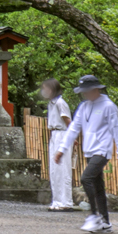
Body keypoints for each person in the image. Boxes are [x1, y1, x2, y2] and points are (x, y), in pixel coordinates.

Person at [55, 74, 118, 233]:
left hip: (102, 150)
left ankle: (94, 216)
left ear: (95, 89)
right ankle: (106, 222)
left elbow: (116, 130)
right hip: (89, 149)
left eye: (86, 91)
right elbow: (73, 128)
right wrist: (62, 149)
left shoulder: (108, 106)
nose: (84, 94)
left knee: (86, 178)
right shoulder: (83, 107)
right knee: (98, 186)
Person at [41, 78, 74, 211]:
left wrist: (72, 137)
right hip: (54, 134)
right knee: (54, 169)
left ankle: (66, 201)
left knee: (63, 168)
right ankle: (57, 200)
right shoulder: (52, 103)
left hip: (62, 134)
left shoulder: (60, 103)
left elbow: (68, 120)